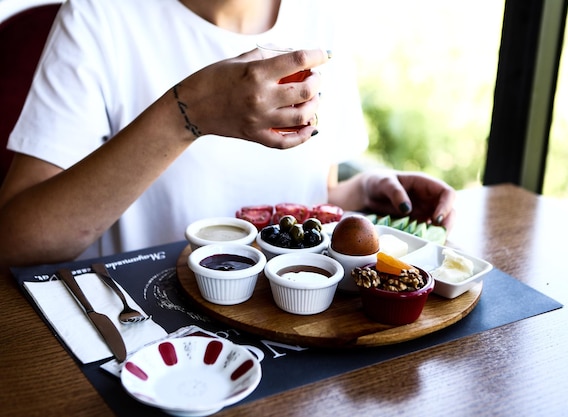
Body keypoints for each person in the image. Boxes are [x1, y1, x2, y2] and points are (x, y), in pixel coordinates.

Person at [0, 0, 455, 269]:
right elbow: (16, 241)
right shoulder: (102, 17)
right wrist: (186, 113)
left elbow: (311, 191)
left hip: (294, 323)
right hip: (149, 338)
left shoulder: (320, 14)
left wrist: (363, 192)